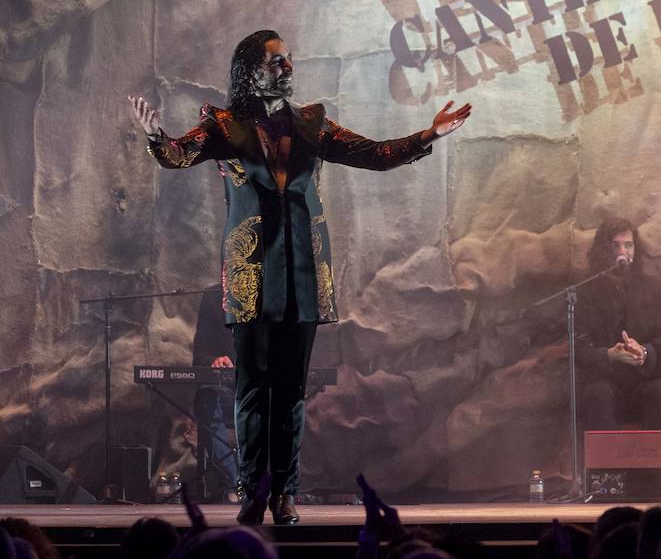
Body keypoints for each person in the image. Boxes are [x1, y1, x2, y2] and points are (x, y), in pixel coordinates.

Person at [129, 30, 471, 526]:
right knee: (252, 390)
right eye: (276, 61)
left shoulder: (312, 123)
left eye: (289, 60)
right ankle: (252, 491)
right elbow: (178, 154)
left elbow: (373, 154)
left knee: (290, 390)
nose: (288, 67)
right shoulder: (224, 125)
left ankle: (285, 493)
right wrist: (157, 137)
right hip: (250, 274)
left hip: (302, 272)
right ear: (251, 71)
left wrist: (429, 135)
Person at [575, 219, 661, 431]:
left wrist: (645, 351)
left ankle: (657, 464)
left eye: (628, 245)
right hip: (604, 383)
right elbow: (578, 347)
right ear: (603, 249)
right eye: (615, 245)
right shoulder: (585, 292)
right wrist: (609, 354)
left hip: (646, 381)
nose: (623, 251)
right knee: (597, 394)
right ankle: (605, 465)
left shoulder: (654, 289)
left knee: (660, 391)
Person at [192, 286, 237, 501]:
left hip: (264, 386)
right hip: (227, 386)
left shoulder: (274, 293)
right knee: (206, 399)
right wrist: (215, 359)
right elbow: (200, 351)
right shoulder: (213, 297)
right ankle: (237, 482)